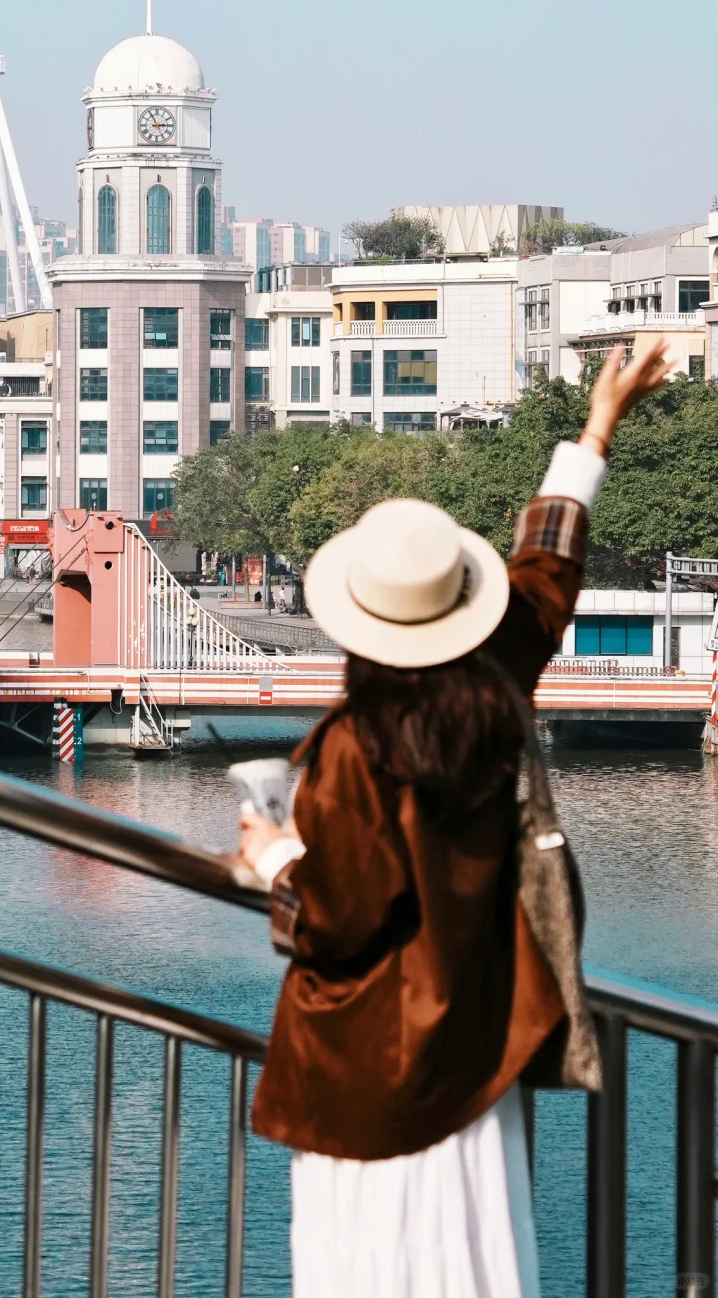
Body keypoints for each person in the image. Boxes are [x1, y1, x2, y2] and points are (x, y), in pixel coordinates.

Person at [238, 341, 669, 1298]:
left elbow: (339, 915)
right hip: (473, 1047)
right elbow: (546, 573)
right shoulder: (494, 686)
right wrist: (598, 426)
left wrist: (273, 860)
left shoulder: (357, 748)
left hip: (371, 1072)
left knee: (371, 1266)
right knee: (471, 1256)